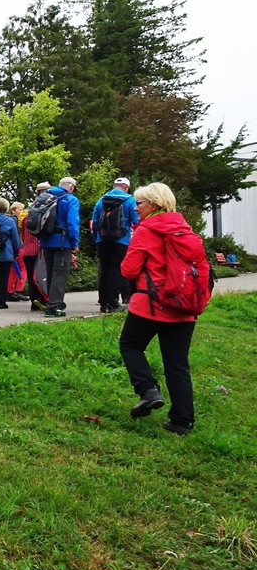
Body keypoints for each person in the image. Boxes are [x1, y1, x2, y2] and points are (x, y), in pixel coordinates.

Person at [120, 182, 199, 435]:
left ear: (154, 204)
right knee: (177, 364)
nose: (135, 208)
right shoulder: (185, 230)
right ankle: (182, 421)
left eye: (139, 203)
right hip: (184, 306)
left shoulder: (146, 231)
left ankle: (148, 390)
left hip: (151, 305)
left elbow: (128, 270)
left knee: (130, 345)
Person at [92, 177, 139, 313]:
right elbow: (136, 221)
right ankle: (113, 303)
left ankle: (103, 303)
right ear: (126, 187)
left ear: (114, 186)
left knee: (104, 271)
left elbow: (95, 222)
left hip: (102, 240)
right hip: (121, 240)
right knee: (117, 271)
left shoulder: (102, 200)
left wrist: (97, 237)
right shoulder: (129, 200)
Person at [38, 177, 80, 318]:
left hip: (46, 241)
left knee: (50, 273)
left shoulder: (45, 197)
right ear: (72, 187)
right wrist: (74, 243)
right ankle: (54, 306)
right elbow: (72, 223)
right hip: (62, 242)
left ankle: (51, 301)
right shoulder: (71, 200)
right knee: (60, 273)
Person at [22, 182, 50, 311]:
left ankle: (33, 302)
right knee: (41, 276)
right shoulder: (44, 211)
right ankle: (43, 299)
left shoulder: (27, 214)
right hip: (39, 250)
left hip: (27, 251)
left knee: (30, 277)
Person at [6, 201, 29, 302]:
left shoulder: (7, 219)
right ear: (13, 210)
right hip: (19, 246)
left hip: (10, 247)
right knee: (23, 268)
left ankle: (10, 291)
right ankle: (19, 290)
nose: (21, 211)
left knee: (12, 269)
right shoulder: (18, 219)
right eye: (19, 209)